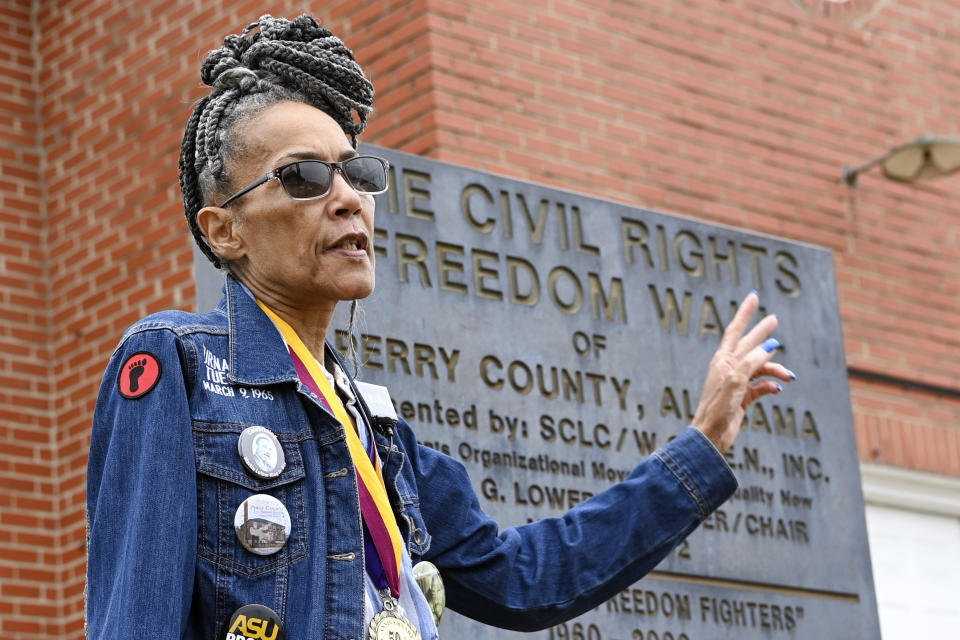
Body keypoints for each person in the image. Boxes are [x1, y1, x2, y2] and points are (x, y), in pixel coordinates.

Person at [85, 14, 793, 640]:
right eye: (302, 176)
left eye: (356, 173)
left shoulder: (375, 430)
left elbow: (529, 579)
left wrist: (704, 441)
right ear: (224, 229)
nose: (347, 200)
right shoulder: (177, 365)